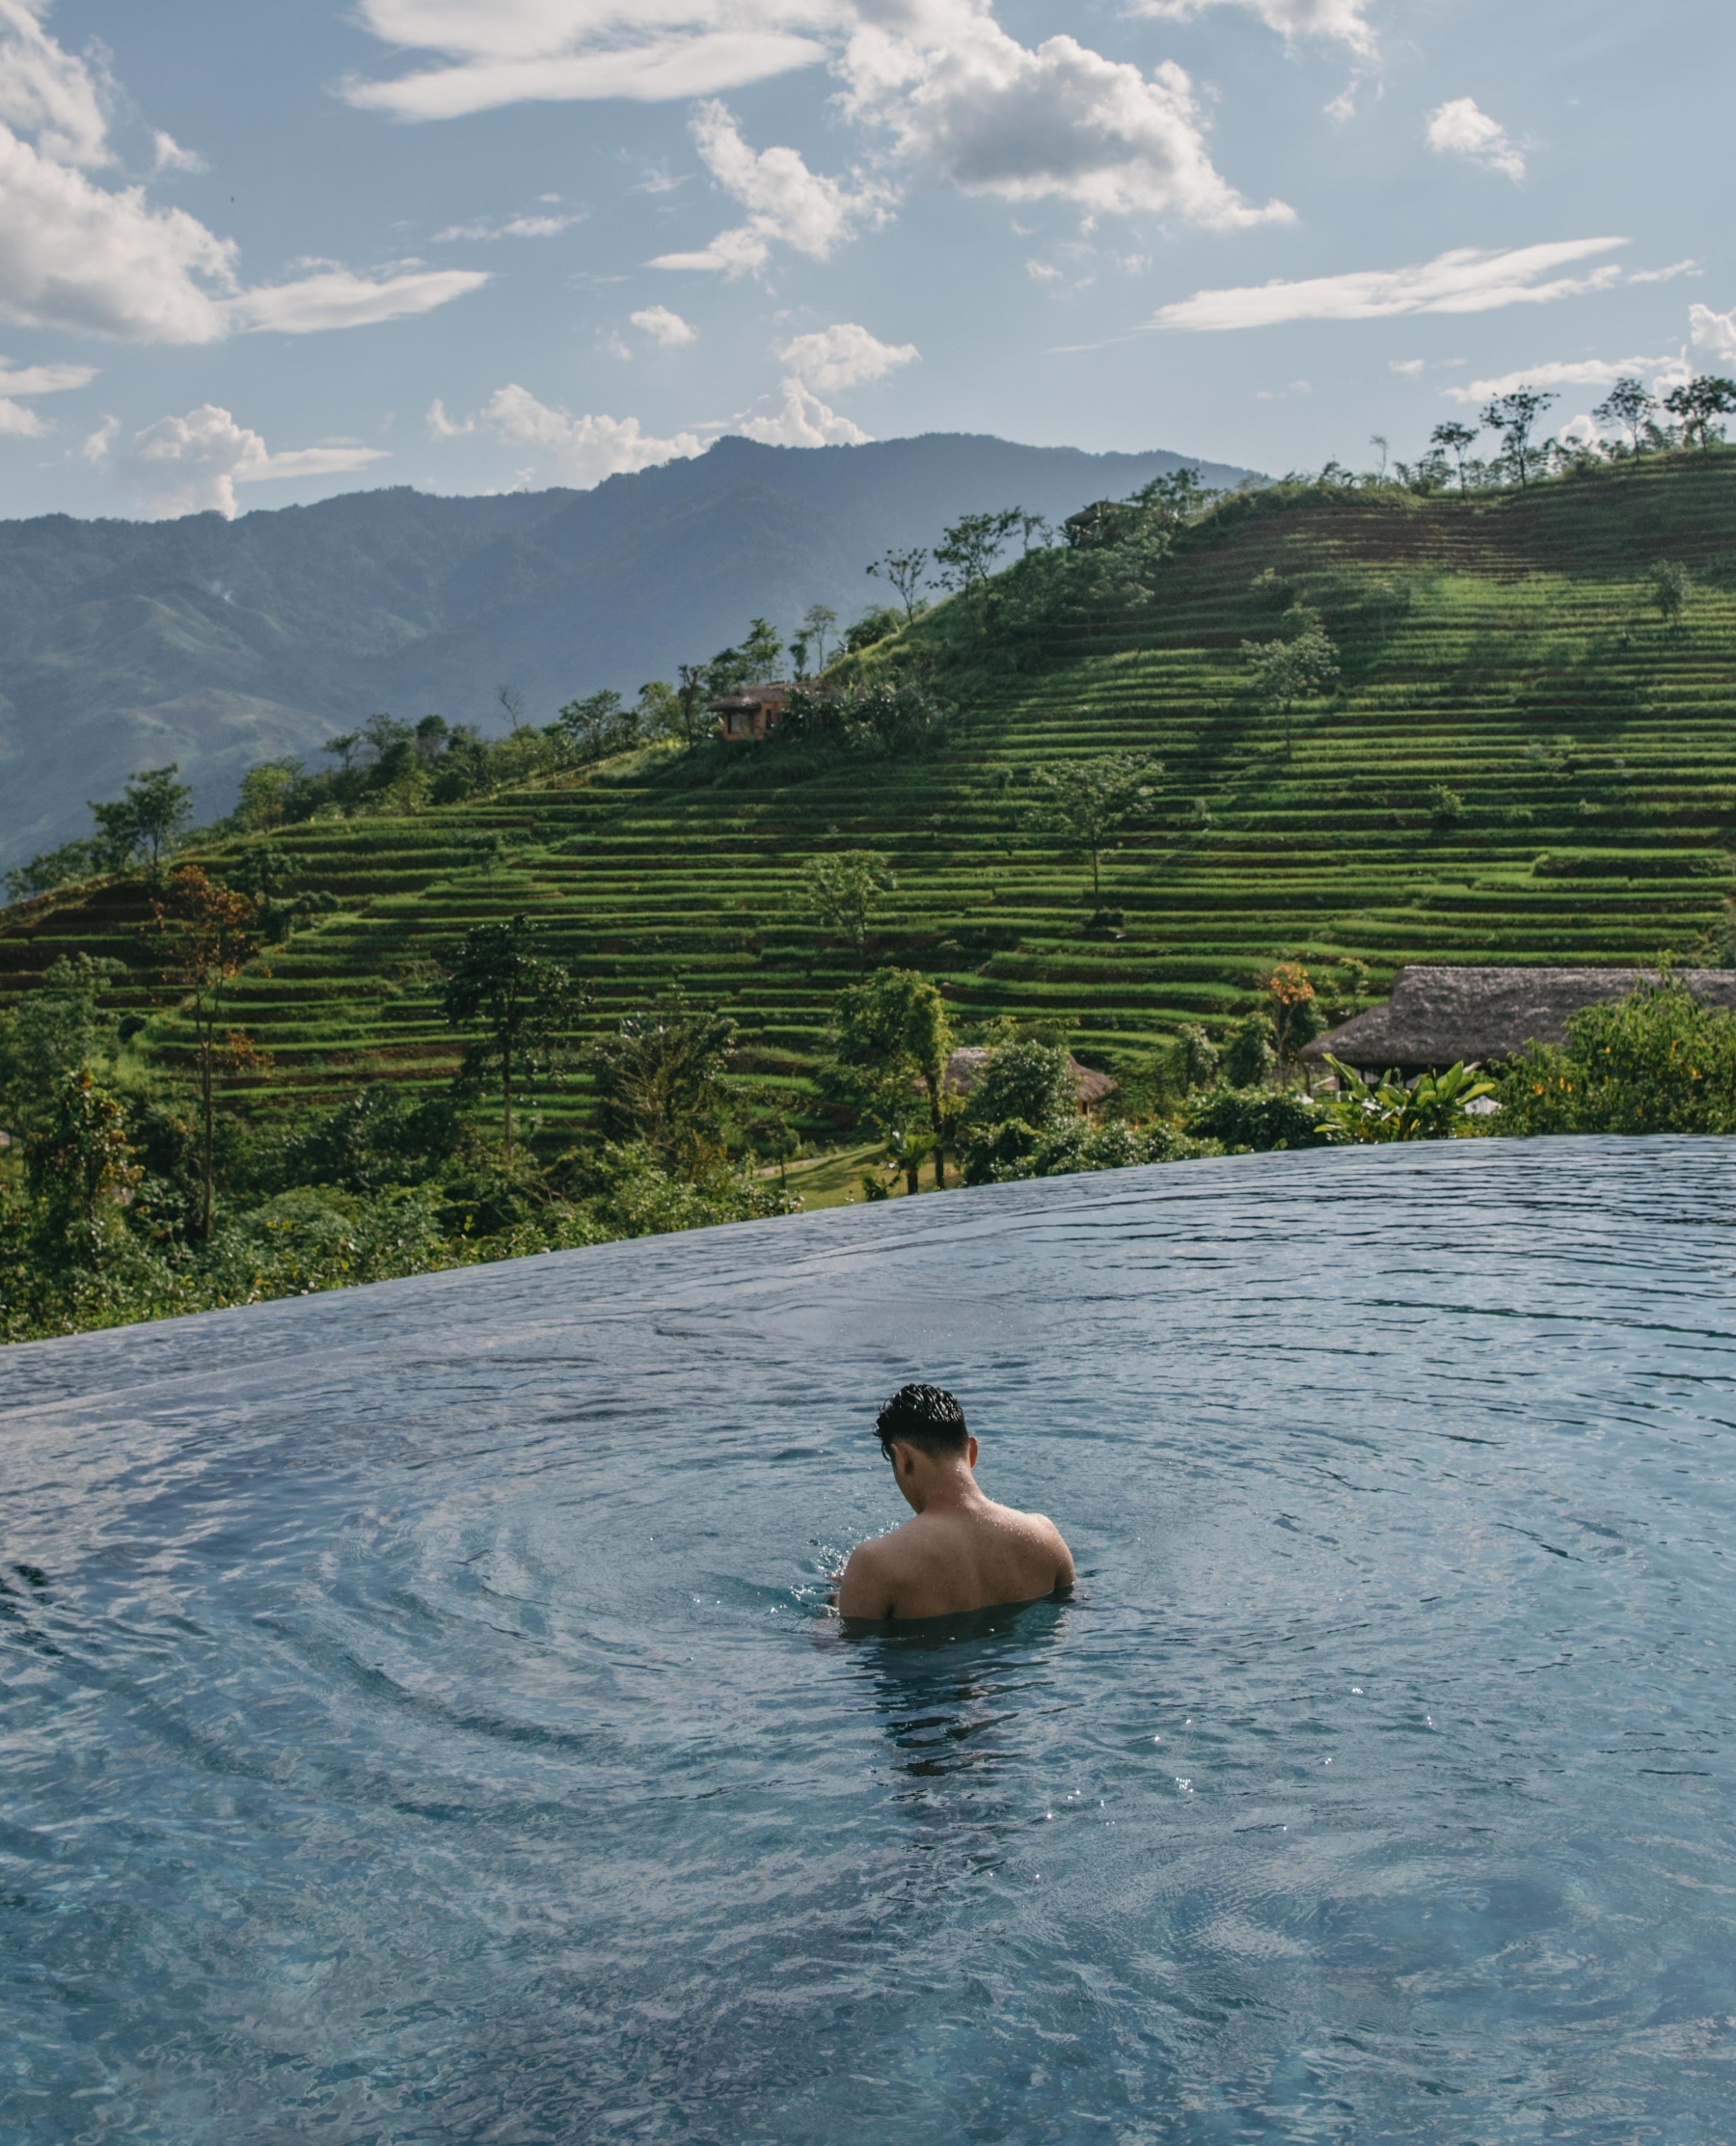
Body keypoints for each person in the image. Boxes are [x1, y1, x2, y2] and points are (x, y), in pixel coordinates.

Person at [835, 1383, 1074, 1624]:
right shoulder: (1045, 1537)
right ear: (972, 1452)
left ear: (901, 1458)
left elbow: (843, 1641)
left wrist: (840, 1599)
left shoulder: (875, 1563)